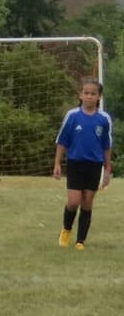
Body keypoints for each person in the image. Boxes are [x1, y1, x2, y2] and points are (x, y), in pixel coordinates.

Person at [53, 78, 112, 250]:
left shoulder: (104, 119)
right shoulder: (72, 116)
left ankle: (80, 241)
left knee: (87, 202)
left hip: (94, 165)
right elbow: (62, 141)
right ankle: (66, 229)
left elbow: (106, 145)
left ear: (99, 97)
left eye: (93, 94)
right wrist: (57, 163)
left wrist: (107, 168)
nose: (89, 96)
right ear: (80, 95)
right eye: (86, 93)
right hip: (75, 163)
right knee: (73, 201)